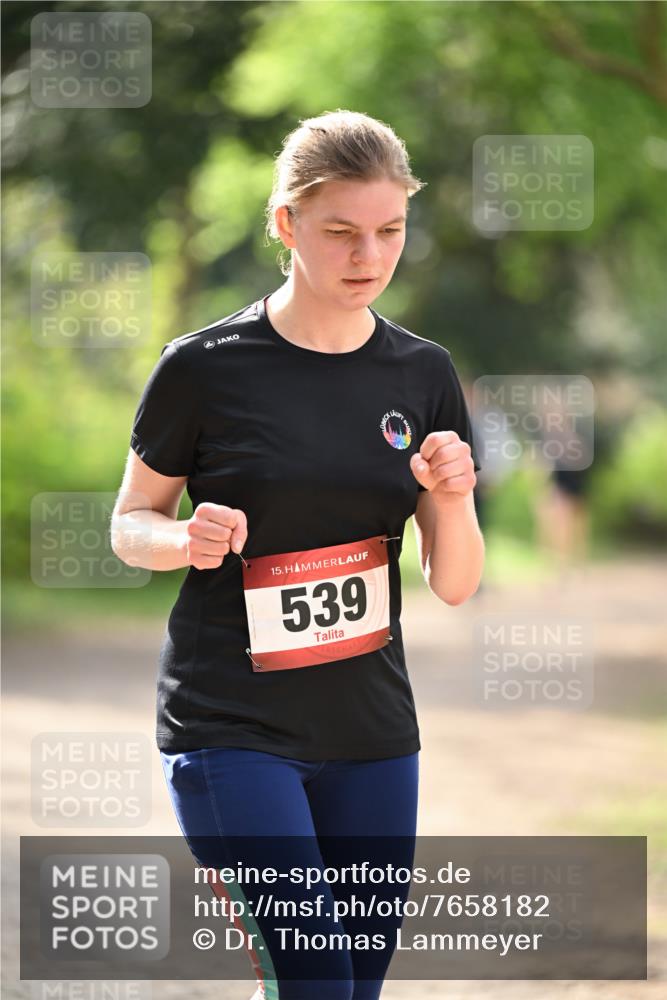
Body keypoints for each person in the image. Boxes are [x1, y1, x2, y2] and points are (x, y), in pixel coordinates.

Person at [112, 109, 484, 1000]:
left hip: (372, 731)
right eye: (341, 232)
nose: (369, 255)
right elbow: (130, 523)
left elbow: (457, 582)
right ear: (286, 225)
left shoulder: (422, 374)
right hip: (231, 727)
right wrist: (183, 540)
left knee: (351, 987)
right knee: (313, 979)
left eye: (390, 230)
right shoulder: (204, 367)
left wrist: (454, 496)